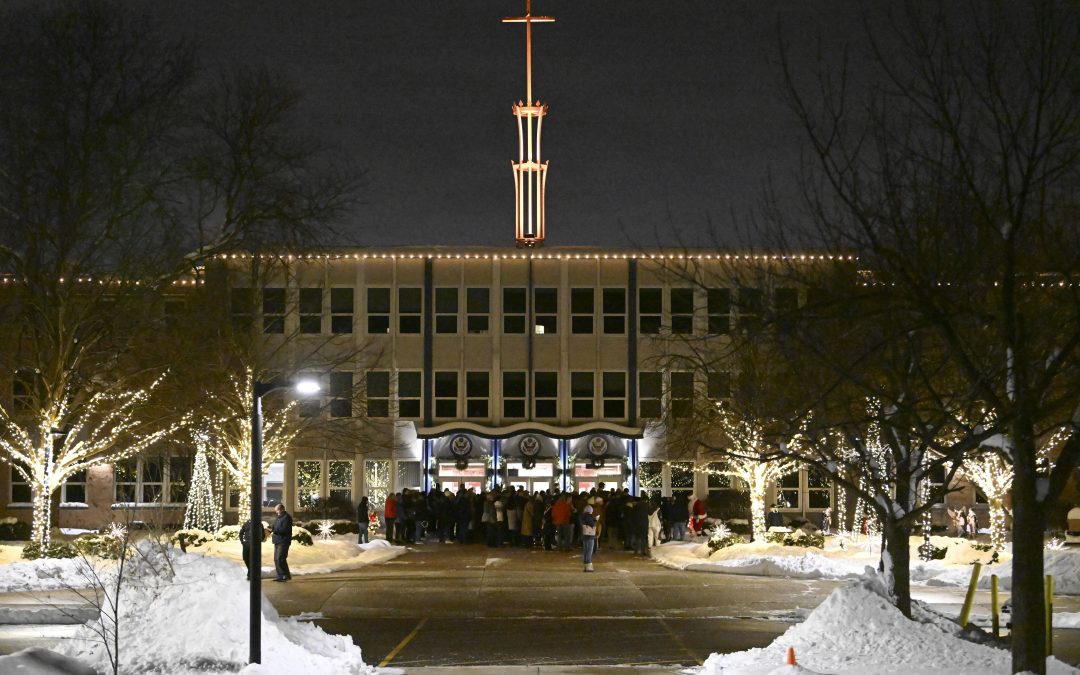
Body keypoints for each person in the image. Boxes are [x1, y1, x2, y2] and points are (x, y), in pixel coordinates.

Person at [271, 503, 293, 582]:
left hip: (283, 541)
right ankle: (283, 575)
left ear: (281, 509)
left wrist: (274, 530)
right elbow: (274, 526)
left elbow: (284, 530)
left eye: (277, 510)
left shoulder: (286, 518)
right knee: (277, 559)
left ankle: (283, 575)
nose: (276, 512)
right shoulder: (279, 517)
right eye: (276, 511)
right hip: (277, 540)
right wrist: (271, 528)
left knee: (280, 558)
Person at [581, 504, 597, 572]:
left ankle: (585, 566)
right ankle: (588, 566)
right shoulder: (589, 517)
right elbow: (592, 524)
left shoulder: (583, 516)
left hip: (584, 535)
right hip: (589, 536)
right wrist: (595, 520)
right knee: (589, 551)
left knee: (585, 550)